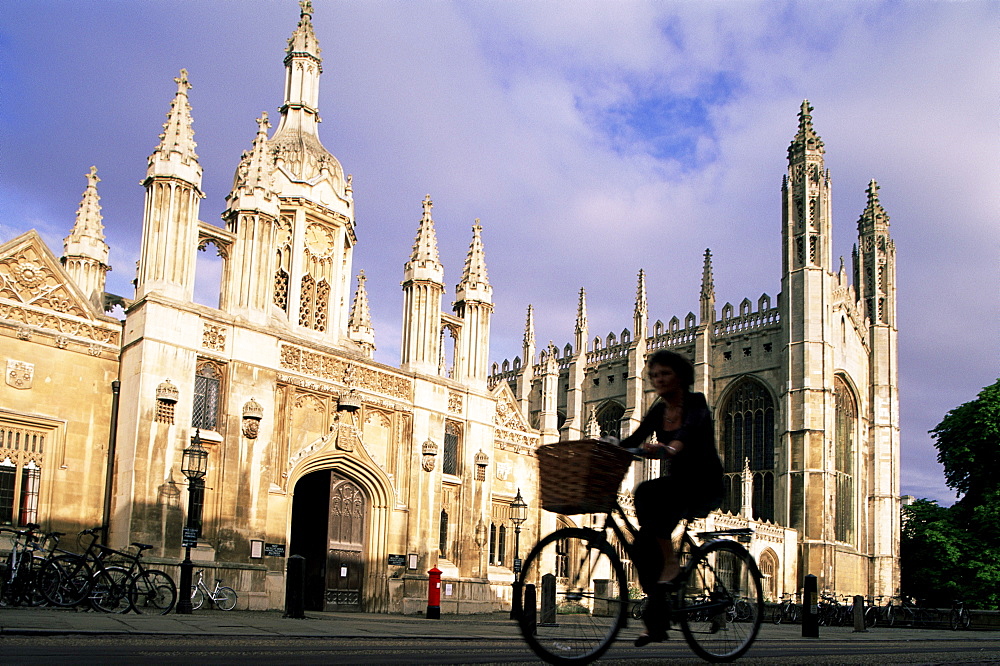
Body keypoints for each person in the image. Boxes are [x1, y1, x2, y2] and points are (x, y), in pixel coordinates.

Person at [617, 349, 724, 645]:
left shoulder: (695, 403)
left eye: (664, 373)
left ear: (679, 376)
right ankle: (657, 624)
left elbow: (690, 429)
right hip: (677, 483)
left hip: (703, 482)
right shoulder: (658, 410)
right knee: (641, 543)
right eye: (654, 375)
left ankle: (671, 564)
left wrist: (673, 446)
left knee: (652, 499)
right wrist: (608, 446)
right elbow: (633, 439)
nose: (658, 379)